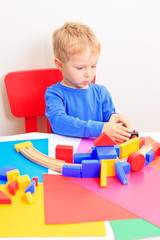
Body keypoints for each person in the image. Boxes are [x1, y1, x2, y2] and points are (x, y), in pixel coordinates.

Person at [45, 22, 131, 142]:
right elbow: (58, 122)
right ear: (60, 64)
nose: (89, 74)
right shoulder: (55, 93)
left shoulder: (101, 92)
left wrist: (114, 118)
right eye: (80, 68)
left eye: (93, 66)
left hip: (95, 151)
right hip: (66, 152)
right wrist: (100, 128)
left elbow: (108, 119)